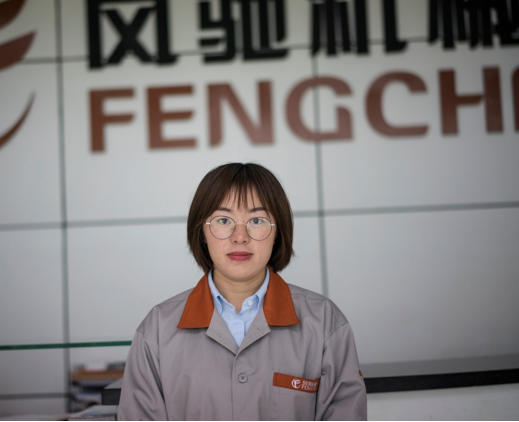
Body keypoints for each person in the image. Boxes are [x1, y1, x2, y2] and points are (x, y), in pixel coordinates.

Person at [118, 163, 367, 420]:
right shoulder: (158, 329)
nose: (239, 236)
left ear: (277, 231)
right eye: (223, 220)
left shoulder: (324, 322)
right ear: (202, 232)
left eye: (256, 220)